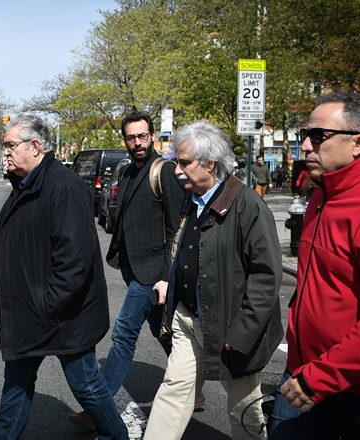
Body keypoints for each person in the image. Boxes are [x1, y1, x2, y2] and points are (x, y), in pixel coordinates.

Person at [0, 113, 128, 440]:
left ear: (35, 146)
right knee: (17, 384)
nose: (5, 152)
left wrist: (46, 304)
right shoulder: (25, 183)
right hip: (31, 314)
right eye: (4, 145)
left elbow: (74, 260)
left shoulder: (63, 186)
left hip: (63, 316)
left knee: (86, 384)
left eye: (10, 145)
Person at [143, 121, 283, 440]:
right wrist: (169, 283)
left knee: (244, 410)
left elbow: (266, 277)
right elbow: (181, 249)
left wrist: (242, 333)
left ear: (209, 164)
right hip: (188, 319)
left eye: (184, 162)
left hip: (232, 328)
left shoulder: (248, 205)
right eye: (176, 161)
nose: (177, 170)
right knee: (174, 392)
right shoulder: (190, 198)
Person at [69, 112, 192, 430]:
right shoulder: (126, 172)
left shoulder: (164, 172)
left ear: (152, 137)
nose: (137, 142)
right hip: (132, 266)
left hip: (153, 273)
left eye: (142, 136)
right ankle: (195, 385)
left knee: (124, 333)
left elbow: (177, 229)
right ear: (124, 139)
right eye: (131, 137)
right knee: (162, 330)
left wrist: (165, 276)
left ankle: (99, 410)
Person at [268, 92, 360, 439]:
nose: (306, 145)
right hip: (301, 370)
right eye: (304, 135)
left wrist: (318, 377)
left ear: (356, 144)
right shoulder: (320, 195)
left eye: (318, 136)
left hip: (344, 385)